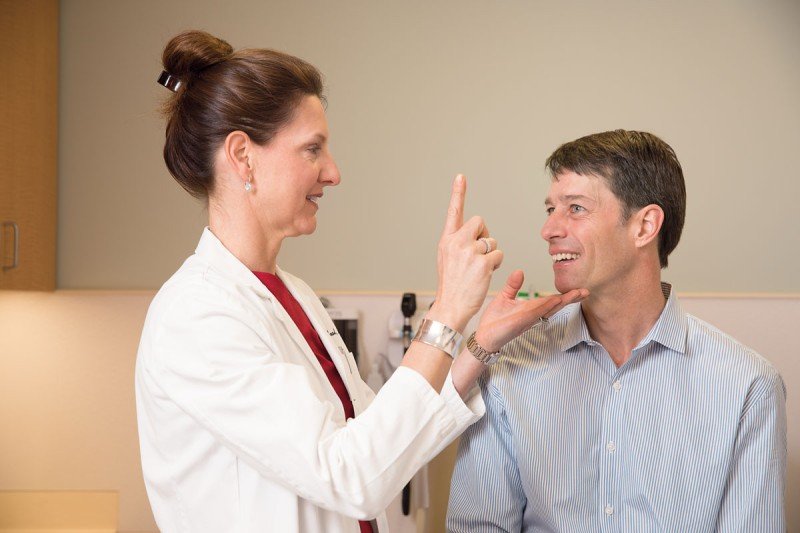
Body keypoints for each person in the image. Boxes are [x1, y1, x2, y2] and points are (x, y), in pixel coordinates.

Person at [135, 30, 587, 533]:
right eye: (312, 150)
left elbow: (382, 438)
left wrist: (478, 345)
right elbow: (353, 476)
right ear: (243, 156)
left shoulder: (292, 295)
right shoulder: (195, 316)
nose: (333, 172)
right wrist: (447, 312)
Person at [447, 130, 786, 532]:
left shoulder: (747, 386)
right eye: (550, 209)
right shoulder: (508, 364)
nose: (549, 230)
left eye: (575, 208)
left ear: (645, 226)